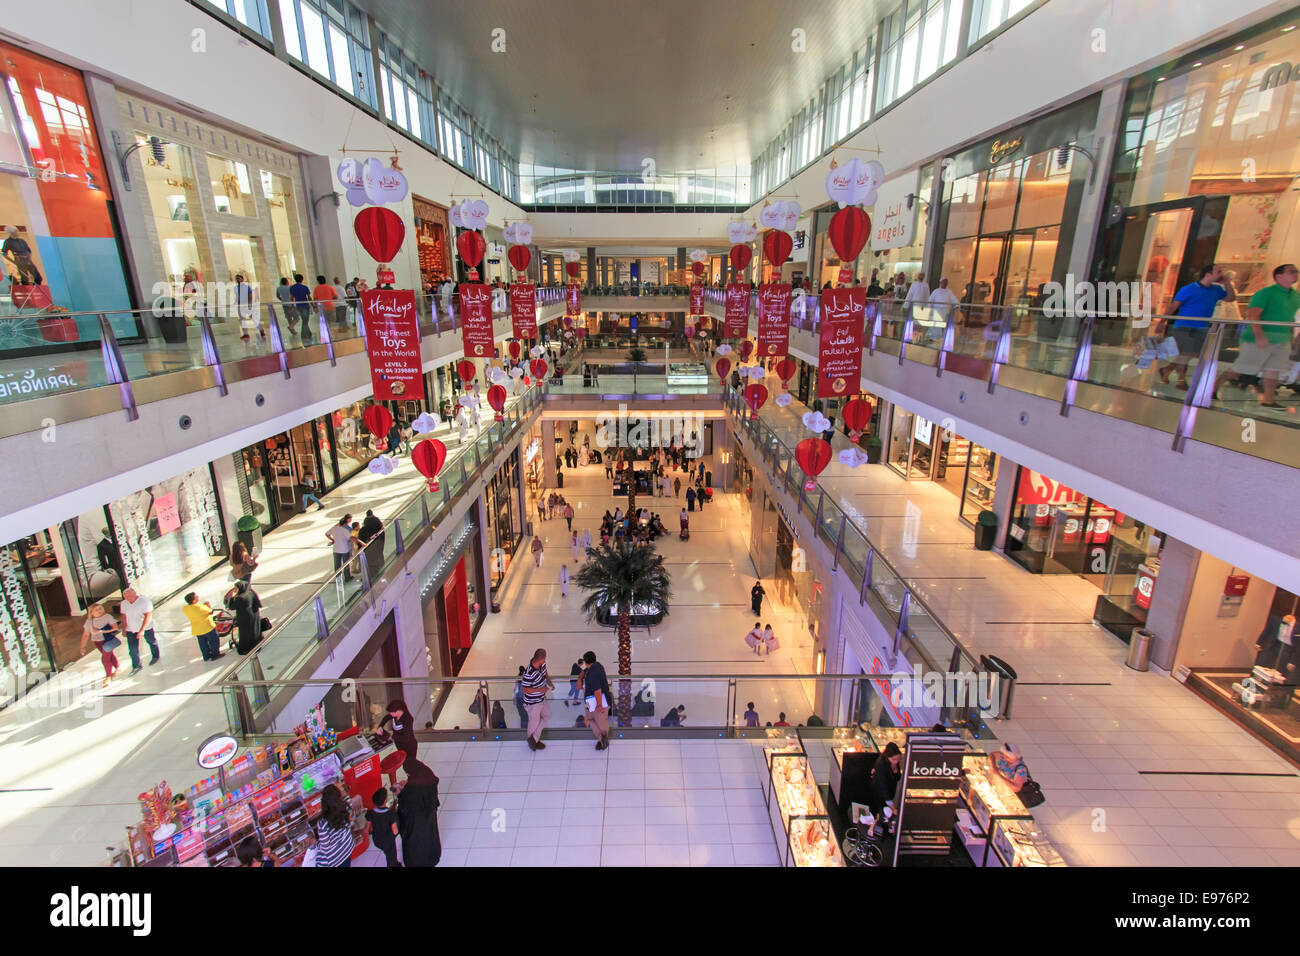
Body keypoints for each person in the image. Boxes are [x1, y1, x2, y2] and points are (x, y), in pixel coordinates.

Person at [1215, 262, 1300, 407]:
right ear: (1279, 276)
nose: (1295, 273)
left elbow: (1290, 318)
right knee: (1241, 368)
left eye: (1296, 271)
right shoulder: (1266, 293)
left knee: (1273, 370)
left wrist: (1292, 338)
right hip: (1258, 339)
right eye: (1291, 271)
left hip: (1282, 339)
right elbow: (1253, 314)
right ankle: (1212, 388)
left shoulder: (1295, 296)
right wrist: (1259, 336)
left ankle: (1268, 399)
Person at [1158, 265, 1236, 389]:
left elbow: (1231, 298)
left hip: (1202, 327)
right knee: (1186, 352)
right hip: (1184, 326)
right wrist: (1162, 322)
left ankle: (1168, 369)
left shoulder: (1216, 289)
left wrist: (1227, 283)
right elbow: (1173, 306)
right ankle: (1181, 380)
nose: (1221, 274)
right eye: (1218, 272)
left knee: (1193, 353)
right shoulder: (1189, 289)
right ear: (1208, 274)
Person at [119, 585, 160, 673]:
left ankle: (156, 656)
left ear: (134, 593)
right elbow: (123, 616)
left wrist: (142, 630)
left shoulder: (144, 601)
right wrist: (124, 629)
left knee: (151, 641)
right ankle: (136, 666)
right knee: (132, 649)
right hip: (130, 629)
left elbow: (148, 615)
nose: (128, 598)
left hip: (146, 628)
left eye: (129, 596)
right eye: (125, 597)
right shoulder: (124, 603)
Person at [312, 784, 355, 867]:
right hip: (347, 848)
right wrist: (341, 789)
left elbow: (325, 847)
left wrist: (315, 843)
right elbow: (352, 816)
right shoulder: (346, 807)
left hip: (334, 859)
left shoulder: (322, 823)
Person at [521, 648, 554, 750]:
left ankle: (534, 739)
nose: (545, 661)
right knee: (534, 721)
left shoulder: (542, 665)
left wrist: (549, 682)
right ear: (540, 659)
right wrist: (541, 689)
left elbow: (545, 673)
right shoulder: (528, 673)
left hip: (541, 699)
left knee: (547, 715)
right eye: (544, 659)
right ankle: (533, 741)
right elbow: (525, 689)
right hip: (532, 703)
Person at [80, 602, 120, 686]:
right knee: (109, 655)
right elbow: (86, 635)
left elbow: (115, 628)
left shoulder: (108, 617)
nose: (99, 611)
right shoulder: (89, 621)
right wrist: (82, 647)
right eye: (96, 609)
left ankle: (108, 676)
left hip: (108, 641)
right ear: (91, 612)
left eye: (100, 608)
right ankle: (117, 667)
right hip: (97, 642)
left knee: (105, 659)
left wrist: (101, 631)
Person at [377, 698, 420, 776]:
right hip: (400, 745)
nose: (390, 714)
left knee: (409, 766)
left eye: (392, 712)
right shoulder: (394, 715)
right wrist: (380, 726)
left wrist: (392, 737)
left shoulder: (408, 719)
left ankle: (413, 780)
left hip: (409, 746)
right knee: (404, 764)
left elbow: (407, 738)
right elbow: (386, 718)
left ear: (399, 711)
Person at [579, 650, 612, 750]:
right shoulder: (598, 666)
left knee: (595, 720)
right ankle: (602, 739)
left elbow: (597, 690)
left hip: (594, 701)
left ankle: (602, 738)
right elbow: (585, 671)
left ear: (585, 661)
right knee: (598, 720)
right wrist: (580, 677)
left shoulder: (592, 673)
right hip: (602, 699)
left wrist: (599, 704)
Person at [224, 580, 264, 655]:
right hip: (254, 614)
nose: (235, 590)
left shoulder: (240, 598)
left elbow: (232, 607)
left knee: (246, 633)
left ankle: (246, 648)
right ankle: (256, 644)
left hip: (245, 618)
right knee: (254, 630)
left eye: (236, 588)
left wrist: (232, 597)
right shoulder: (251, 592)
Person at [183, 591, 224, 662]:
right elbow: (210, 611)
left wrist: (203, 606)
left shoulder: (186, 608)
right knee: (214, 641)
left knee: (203, 644)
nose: (198, 596)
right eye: (196, 596)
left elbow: (195, 609)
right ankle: (215, 655)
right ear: (194, 600)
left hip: (197, 629)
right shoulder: (200, 607)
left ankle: (206, 656)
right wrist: (207, 605)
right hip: (208, 627)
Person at [365, 787, 400, 867]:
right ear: (385, 801)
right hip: (388, 841)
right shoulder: (390, 814)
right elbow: (395, 831)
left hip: (377, 839)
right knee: (391, 857)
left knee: (387, 853)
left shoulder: (370, 813)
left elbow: (367, 827)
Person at [869, 742, 902, 816]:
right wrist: (893, 809)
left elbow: (897, 777)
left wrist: (895, 770)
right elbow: (883, 787)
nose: (896, 762)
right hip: (879, 793)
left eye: (898, 759)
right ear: (887, 757)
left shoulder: (894, 763)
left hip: (889, 792)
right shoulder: (880, 765)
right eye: (894, 759)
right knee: (881, 812)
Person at [233, 273, 262, 341]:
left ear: (242, 279)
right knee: (242, 320)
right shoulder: (236, 288)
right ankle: (246, 334)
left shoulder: (247, 287)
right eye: (236, 278)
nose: (238, 280)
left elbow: (250, 295)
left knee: (253, 318)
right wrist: (235, 303)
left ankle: (261, 330)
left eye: (239, 278)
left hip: (247, 306)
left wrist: (249, 304)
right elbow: (237, 297)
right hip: (240, 306)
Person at [327, 514, 354, 581]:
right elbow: (350, 539)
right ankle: (347, 578)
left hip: (336, 549)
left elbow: (327, 534)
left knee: (337, 565)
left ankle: (338, 579)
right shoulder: (345, 531)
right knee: (346, 565)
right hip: (344, 550)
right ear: (345, 523)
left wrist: (332, 539)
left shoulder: (334, 528)